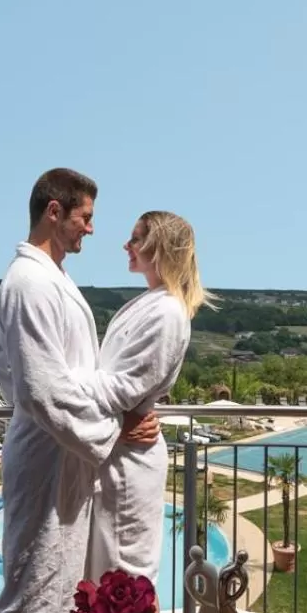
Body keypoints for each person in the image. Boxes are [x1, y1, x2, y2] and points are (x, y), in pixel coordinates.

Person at [0, 168, 159, 613]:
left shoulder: (49, 277)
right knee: (30, 579)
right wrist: (109, 428)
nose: (91, 229)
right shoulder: (28, 282)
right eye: (85, 217)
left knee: (58, 576)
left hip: (66, 450)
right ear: (54, 211)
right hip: (49, 454)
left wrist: (38, 403)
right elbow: (41, 385)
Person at [85, 211, 213, 580]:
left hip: (132, 460)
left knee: (128, 577)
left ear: (161, 248)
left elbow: (125, 388)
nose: (126, 245)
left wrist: (60, 387)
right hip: (118, 446)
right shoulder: (150, 302)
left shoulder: (168, 312)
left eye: (136, 239)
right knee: (108, 573)